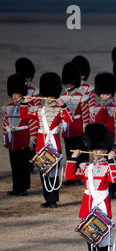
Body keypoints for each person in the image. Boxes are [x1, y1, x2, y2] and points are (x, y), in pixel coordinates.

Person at [65, 123, 116, 251]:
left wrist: (111, 162)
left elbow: (113, 179)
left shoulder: (109, 167)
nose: (96, 152)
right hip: (88, 207)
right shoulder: (86, 166)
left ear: (105, 150)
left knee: (102, 240)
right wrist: (72, 159)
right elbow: (70, 176)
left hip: (101, 205)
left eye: (100, 150)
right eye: (94, 149)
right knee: (91, 239)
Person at [22, 72, 73, 208]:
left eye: (51, 96)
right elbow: (24, 116)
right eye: (47, 96)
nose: (48, 99)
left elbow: (69, 120)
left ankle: (53, 199)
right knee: (43, 172)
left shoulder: (58, 110)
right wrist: (24, 103)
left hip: (54, 144)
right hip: (41, 144)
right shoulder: (39, 110)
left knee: (54, 173)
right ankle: (47, 198)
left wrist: (63, 105)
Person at [90, 72, 116, 199]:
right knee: (98, 166)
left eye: (106, 93)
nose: (103, 96)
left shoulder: (115, 108)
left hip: (110, 140)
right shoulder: (95, 108)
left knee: (110, 164)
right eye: (102, 93)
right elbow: (92, 125)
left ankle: (112, 190)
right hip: (98, 142)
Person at [3, 74, 33, 196]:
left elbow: (33, 125)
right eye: (13, 94)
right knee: (14, 165)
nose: (15, 96)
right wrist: (6, 139)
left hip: (23, 139)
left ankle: (24, 187)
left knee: (24, 165)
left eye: (17, 94)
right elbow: (5, 124)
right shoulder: (8, 107)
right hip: (13, 140)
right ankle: (16, 187)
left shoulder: (27, 107)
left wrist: (32, 141)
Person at [61, 62, 90, 182]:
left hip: (78, 129)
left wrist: (85, 131)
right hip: (67, 130)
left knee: (81, 153)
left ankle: (82, 175)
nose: (68, 84)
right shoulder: (62, 96)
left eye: (70, 82)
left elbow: (86, 116)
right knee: (69, 153)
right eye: (67, 82)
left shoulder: (81, 96)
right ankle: (71, 175)